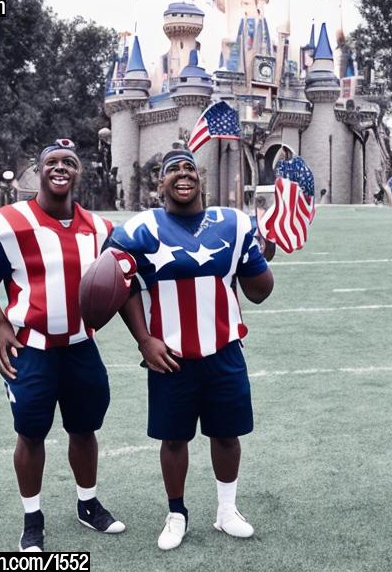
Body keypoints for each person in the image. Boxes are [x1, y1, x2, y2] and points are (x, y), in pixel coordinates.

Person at [0, 139, 126, 552]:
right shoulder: (7, 223)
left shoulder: (102, 229)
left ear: (78, 173)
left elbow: (124, 281)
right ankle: (32, 518)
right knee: (31, 433)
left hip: (81, 346)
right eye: (52, 161)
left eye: (69, 162)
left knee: (84, 428)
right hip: (30, 347)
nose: (61, 167)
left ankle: (87, 504)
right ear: (38, 172)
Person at [106, 146, 274, 551]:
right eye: (172, 171)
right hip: (170, 354)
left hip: (224, 347)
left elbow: (260, 293)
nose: (183, 175)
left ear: (201, 180)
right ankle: (176, 513)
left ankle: (227, 511)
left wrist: (266, 252)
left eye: (189, 169)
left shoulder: (233, 224)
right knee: (174, 439)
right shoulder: (139, 229)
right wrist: (144, 340)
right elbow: (117, 285)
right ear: (159, 183)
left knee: (228, 435)